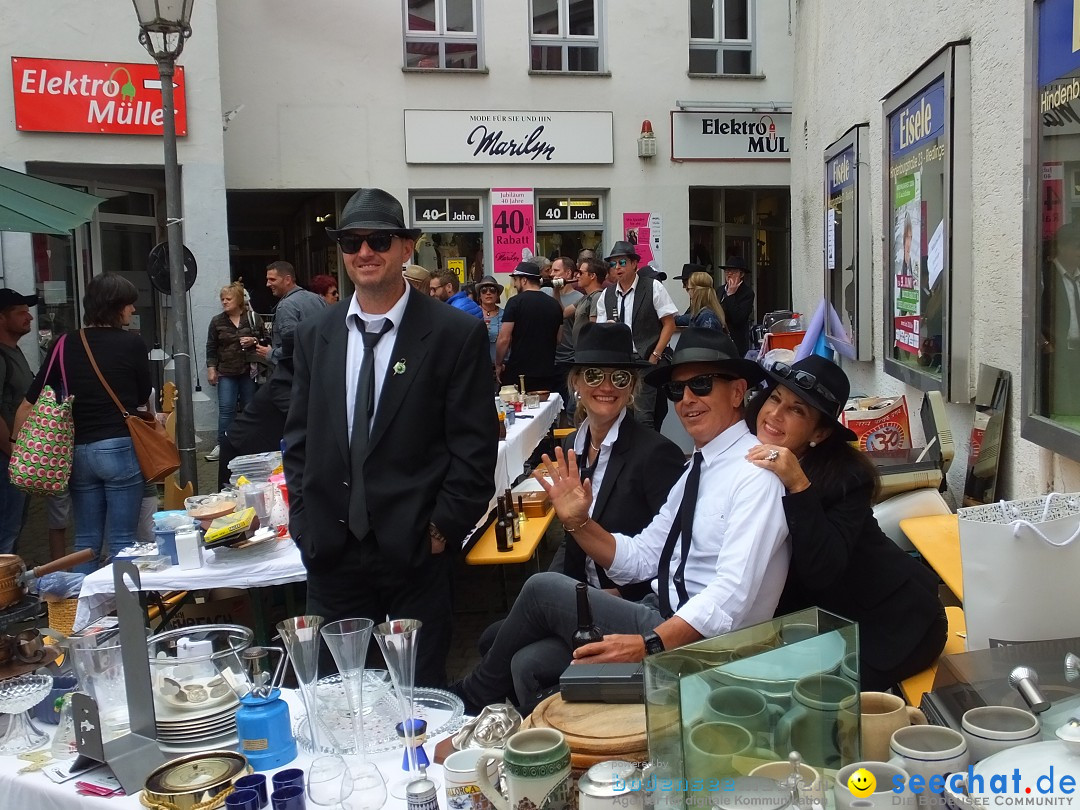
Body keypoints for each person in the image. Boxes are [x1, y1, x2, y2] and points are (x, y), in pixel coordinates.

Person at [452, 328, 790, 712]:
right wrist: (579, 522)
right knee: (526, 663)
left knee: (540, 588)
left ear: (736, 391)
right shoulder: (699, 467)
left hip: (703, 648)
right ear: (577, 383)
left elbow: (732, 596)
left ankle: (466, 701)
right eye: (677, 391)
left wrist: (650, 643)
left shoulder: (755, 474)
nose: (687, 400)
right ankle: (552, 752)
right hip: (659, 612)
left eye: (701, 384)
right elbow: (646, 554)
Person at [283, 187, 497, 687]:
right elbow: (298, 440)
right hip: (332, 556)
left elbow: (474, 448)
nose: (364, 253)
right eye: (351, 241)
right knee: (336, 703)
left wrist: (444, 528)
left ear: (407, 247)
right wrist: (304, 524)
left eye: (378, 240)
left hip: (416, 557)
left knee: (415, 701)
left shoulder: (451, 334)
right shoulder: (316, 334)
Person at [744, 355, 947, 690]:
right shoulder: (748, 453)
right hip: (815, 627)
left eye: (797, 410)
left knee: (809, 705)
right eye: (776, 398)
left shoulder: (847, 477)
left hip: (891, 624)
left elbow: (822, 570)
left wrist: (798, 486)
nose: (776, 414)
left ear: (820, 433)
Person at [23, 274, 150, 573]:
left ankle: (87, 615)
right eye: (129, 305)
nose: (132, 310)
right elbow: (143, 394)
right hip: (119, 446)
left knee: (86, 542)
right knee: (121, 540)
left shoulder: (64, 343)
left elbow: (37, 393)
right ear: (115, 307)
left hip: (78, 451)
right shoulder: (132, 343)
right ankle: (124, 614)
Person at [595, 240, 677, 430]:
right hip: (620, 362)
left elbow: (669, 324)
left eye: (622, 262)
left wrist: (655, 355)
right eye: (613, 264)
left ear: (634, 264)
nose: (617, 268)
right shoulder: (606, 295)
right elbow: (599, 331)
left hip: (646, 360)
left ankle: (646, 457)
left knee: (644, 415)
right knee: (621, 413)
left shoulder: (652, 287)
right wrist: (607, 330)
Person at [205, 282, 262, 462]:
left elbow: (266, 340)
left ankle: (249, 443)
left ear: (238, 300)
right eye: (222, 299)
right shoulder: (217, 321)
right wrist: (211, 369)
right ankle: (223, 444)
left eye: (228, 299)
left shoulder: (253, 318)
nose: (224, 302)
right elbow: (211, 346)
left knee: (249, 407)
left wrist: (253, 340)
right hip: (226, 371)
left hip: (248, 370)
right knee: (226, 409)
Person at [0, 288, 37, 554]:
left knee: (15, 524)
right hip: (7, 458)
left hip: (19, 456)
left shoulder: (15, 353)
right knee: (7, 527)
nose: (29, 317)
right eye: (20, 312)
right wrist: (12, 453)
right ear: (2, 318)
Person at [495, 262, 564, 391]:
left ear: (524, 280)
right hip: (547, 372)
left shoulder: (515, 302)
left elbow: (504, 338)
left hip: (519, 373)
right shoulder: (554, 304)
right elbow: (559, 338)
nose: (514, 284)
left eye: (515, 280)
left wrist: (498, 363)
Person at [256, 261, 326, 369]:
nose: (268, 284)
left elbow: (292, 347)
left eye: (272, 279)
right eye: (267, 279)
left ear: (287, 279)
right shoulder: (317, 299)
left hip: (295, 373)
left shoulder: (286, 305)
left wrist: (270, 353)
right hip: (319, 367)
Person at [719, 256, 755, 357]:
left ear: (742, 274)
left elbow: (738, 319)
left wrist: (731, 295)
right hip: (719, 341)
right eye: (727, 271)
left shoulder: (747, 293)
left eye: (733, 271)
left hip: (736, 342)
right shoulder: (720, 290)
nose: (729, 274)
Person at [476, 275, 504, 367]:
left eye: (492, 290)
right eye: (484, 290)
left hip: (502, 365)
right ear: (479, 295)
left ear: (497, 294)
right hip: (479, 366)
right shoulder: (474, 314)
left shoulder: (505, 315)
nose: (488, 293)